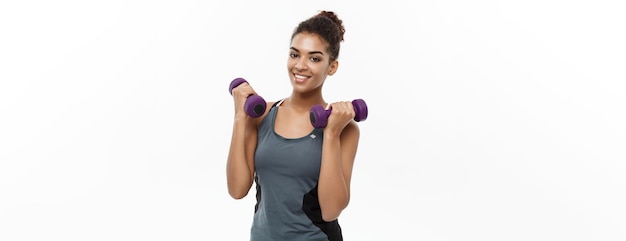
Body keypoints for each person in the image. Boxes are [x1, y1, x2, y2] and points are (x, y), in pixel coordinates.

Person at [227, 10, 360, 241]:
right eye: (294, 54)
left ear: (332, 67)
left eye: (314, 58)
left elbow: (331, 210)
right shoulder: (260, 115)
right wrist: (240, 117)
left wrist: (330, 135)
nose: (300, 65)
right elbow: (237, 190)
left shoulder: (344, 128)